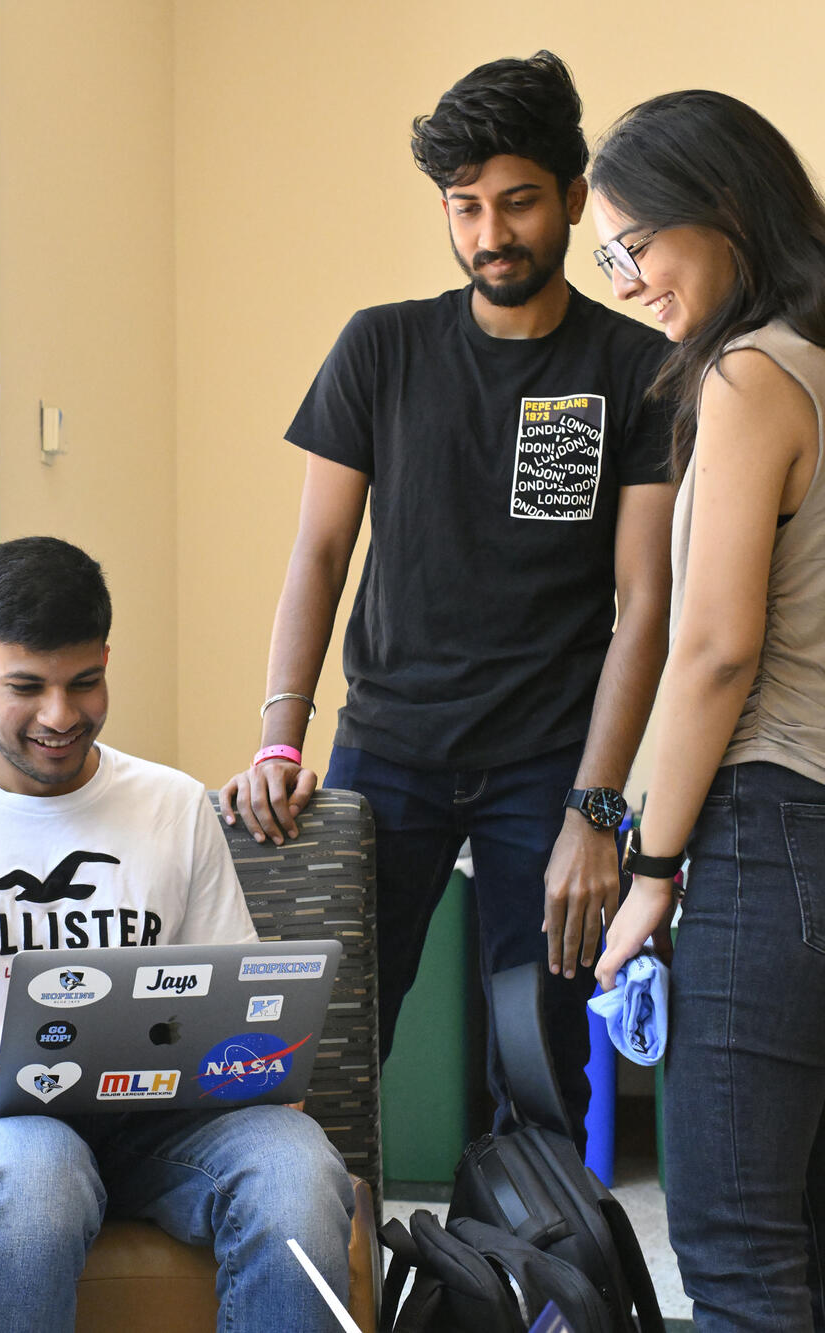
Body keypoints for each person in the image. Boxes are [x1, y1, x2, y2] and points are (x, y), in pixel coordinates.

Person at [220, 50, 674, 1143]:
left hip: (548, 766)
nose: (489, 234)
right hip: (388, 750)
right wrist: (281, 737)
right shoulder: (379, 347)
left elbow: (646, 603)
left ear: (571, 198)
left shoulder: (636, 368)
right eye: (462, 208)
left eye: (516, 202)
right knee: (328, 1048)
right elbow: (316, 553)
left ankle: (534, 1298)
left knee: (542, 1059)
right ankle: (338, 1285)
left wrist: (595, 808)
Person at [0, 536, 354, 1333]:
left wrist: (258, 1065)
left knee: (297, 1167)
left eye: (85, 682)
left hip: (156, 1125)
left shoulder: (173, 806)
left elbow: (238, 1009)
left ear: (108, 661)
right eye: (26, 686)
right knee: (39, 1172)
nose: (60, 715)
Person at [588, 91, 825, 1332]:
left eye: (634, 244)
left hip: (772, 837)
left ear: (722, 213)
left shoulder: (747, 376)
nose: (626, 280)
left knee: (736, 1252)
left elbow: (712, 652)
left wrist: (650, 871)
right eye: (611, 256)